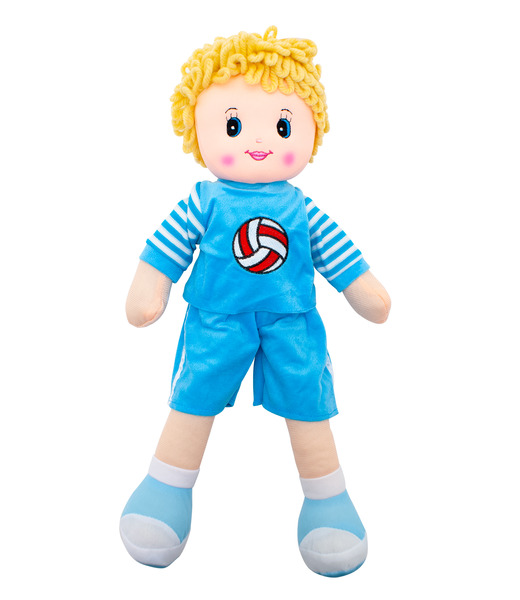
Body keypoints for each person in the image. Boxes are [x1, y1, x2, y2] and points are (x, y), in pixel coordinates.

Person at [120, 27, 390, 577]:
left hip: (292, 322)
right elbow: (166, 249)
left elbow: (340, 257)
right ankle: (166, 486)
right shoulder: (204, 200)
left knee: (308, 400)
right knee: (194, 394)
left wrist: (365, 290)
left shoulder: (302, 208)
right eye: (234, 125)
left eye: (283, 126)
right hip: (216, 320)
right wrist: (150, 289)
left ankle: (326, 498)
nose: (259, 141)